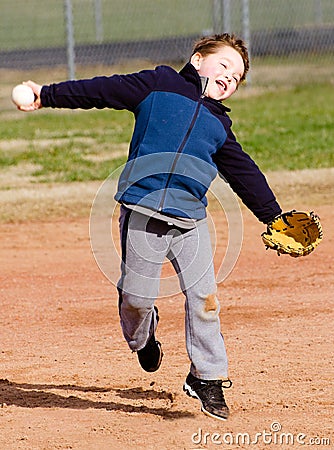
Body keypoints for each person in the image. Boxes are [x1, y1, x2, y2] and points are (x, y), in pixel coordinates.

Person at [19, 33, 282, 421]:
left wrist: (273, 216)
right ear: (197, 60)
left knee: (205, 299)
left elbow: (245, 174)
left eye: (238, 77)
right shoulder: (157, 85)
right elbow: (101, 90)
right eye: (224, 65)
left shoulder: (219, 125)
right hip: (143, 214)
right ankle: (143, 336)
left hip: (190, 221)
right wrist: (46, 93)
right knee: (137, 301)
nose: (230, 77)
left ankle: (206, 377)